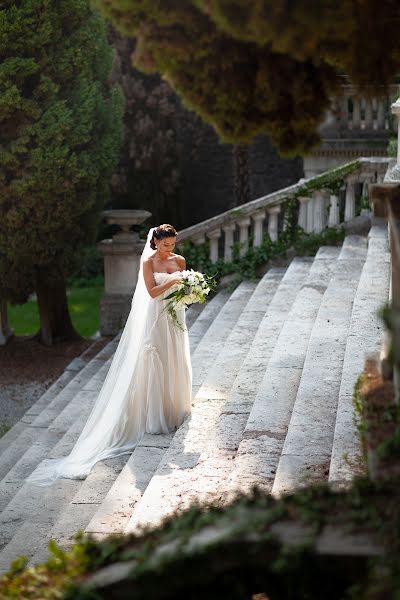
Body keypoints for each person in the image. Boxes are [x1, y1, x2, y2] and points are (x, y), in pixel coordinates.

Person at [27, 225, 192, 485]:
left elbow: (182, 288)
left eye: (172, 244)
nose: (169, 249)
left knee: (174, 356)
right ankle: (157, 413)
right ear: (156, 243)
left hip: (174, 314)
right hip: (156, 316)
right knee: (155, 357)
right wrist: (173, 281)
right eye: (165, 244)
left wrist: (190, 289)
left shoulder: (180, 260)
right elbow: (151, 292)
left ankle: (175, 406)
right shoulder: (148, 262)